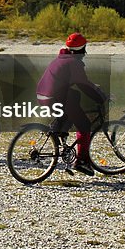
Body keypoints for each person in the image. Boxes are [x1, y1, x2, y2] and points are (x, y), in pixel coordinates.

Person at [35, 33, 108, 176]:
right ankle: (81, 161)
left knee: (75, 96)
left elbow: (80, 82)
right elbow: (84, 85)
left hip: (42, 95)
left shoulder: (61, 59)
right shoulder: (74, 63)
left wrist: (94, 87)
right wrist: (101, 97)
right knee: (85, 124)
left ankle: (58, 131)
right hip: (54, 97)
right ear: (81, 50)